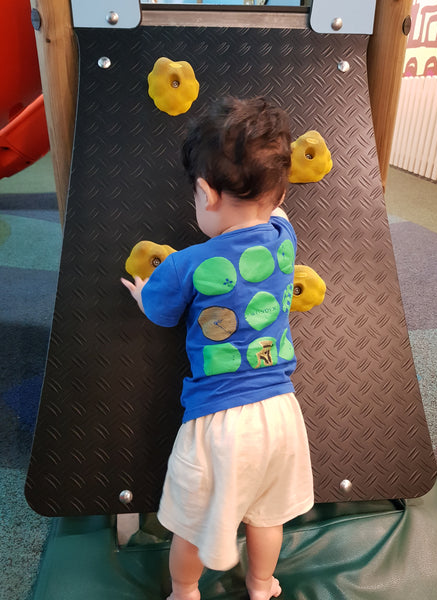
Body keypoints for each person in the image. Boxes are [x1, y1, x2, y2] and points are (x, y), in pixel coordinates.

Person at [121, 96, 314, 600]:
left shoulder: (185, 264)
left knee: (192, 523)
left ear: (206, 193)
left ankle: (185, 590)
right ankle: (262, 583)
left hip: (218, 421)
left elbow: (162, 312)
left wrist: (143, 293)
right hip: (280, 413)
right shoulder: (284, 237)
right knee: (266, 516)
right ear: (278, 192)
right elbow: (277, 208)